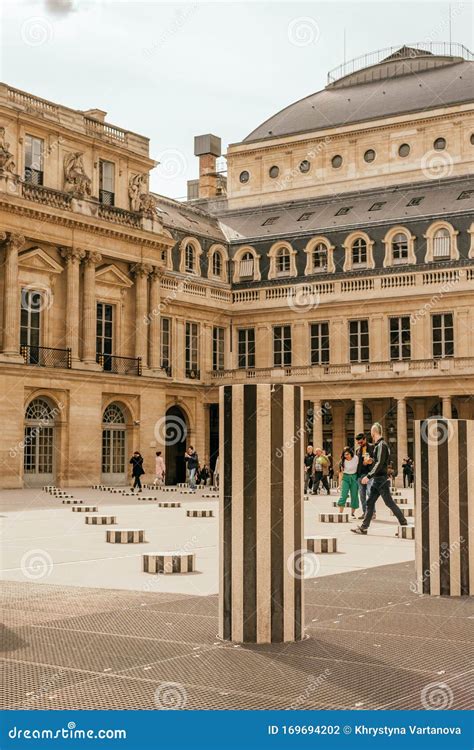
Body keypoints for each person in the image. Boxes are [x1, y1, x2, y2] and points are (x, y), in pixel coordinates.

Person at [351, 422, 408, 536]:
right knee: (370, 502)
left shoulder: (382, 445)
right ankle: (364, 527)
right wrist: (371, 461)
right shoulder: (379, 445)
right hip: (378, 479)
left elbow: (380, 463)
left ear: (373, 432)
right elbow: (378, 462)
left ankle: (404, 524)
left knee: (389, 503)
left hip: (380, 479)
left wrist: (368, 476)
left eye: (371, 432)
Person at [355, 432, 375, 520]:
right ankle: (364, 512)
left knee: (370, 493)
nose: (359, 444)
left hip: (369, 474)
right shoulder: (357, 450)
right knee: (362, 495)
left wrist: (370, 461)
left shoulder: (372, 447)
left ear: (365, 439)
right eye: (358, 442)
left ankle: (372, 512)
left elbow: (376, 460)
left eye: (361, 442)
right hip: (360, 475)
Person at [337, 446, 359, 517]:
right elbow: (340, 473)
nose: (346, 456)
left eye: (347, 454)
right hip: (345, 478)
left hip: (354, 478)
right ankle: (340, 513)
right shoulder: (343, 461)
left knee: (354, 495)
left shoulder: (356, 458)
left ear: (351, 453)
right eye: (345, 454)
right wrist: (339, 484)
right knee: (343, 495)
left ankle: (352, 513)